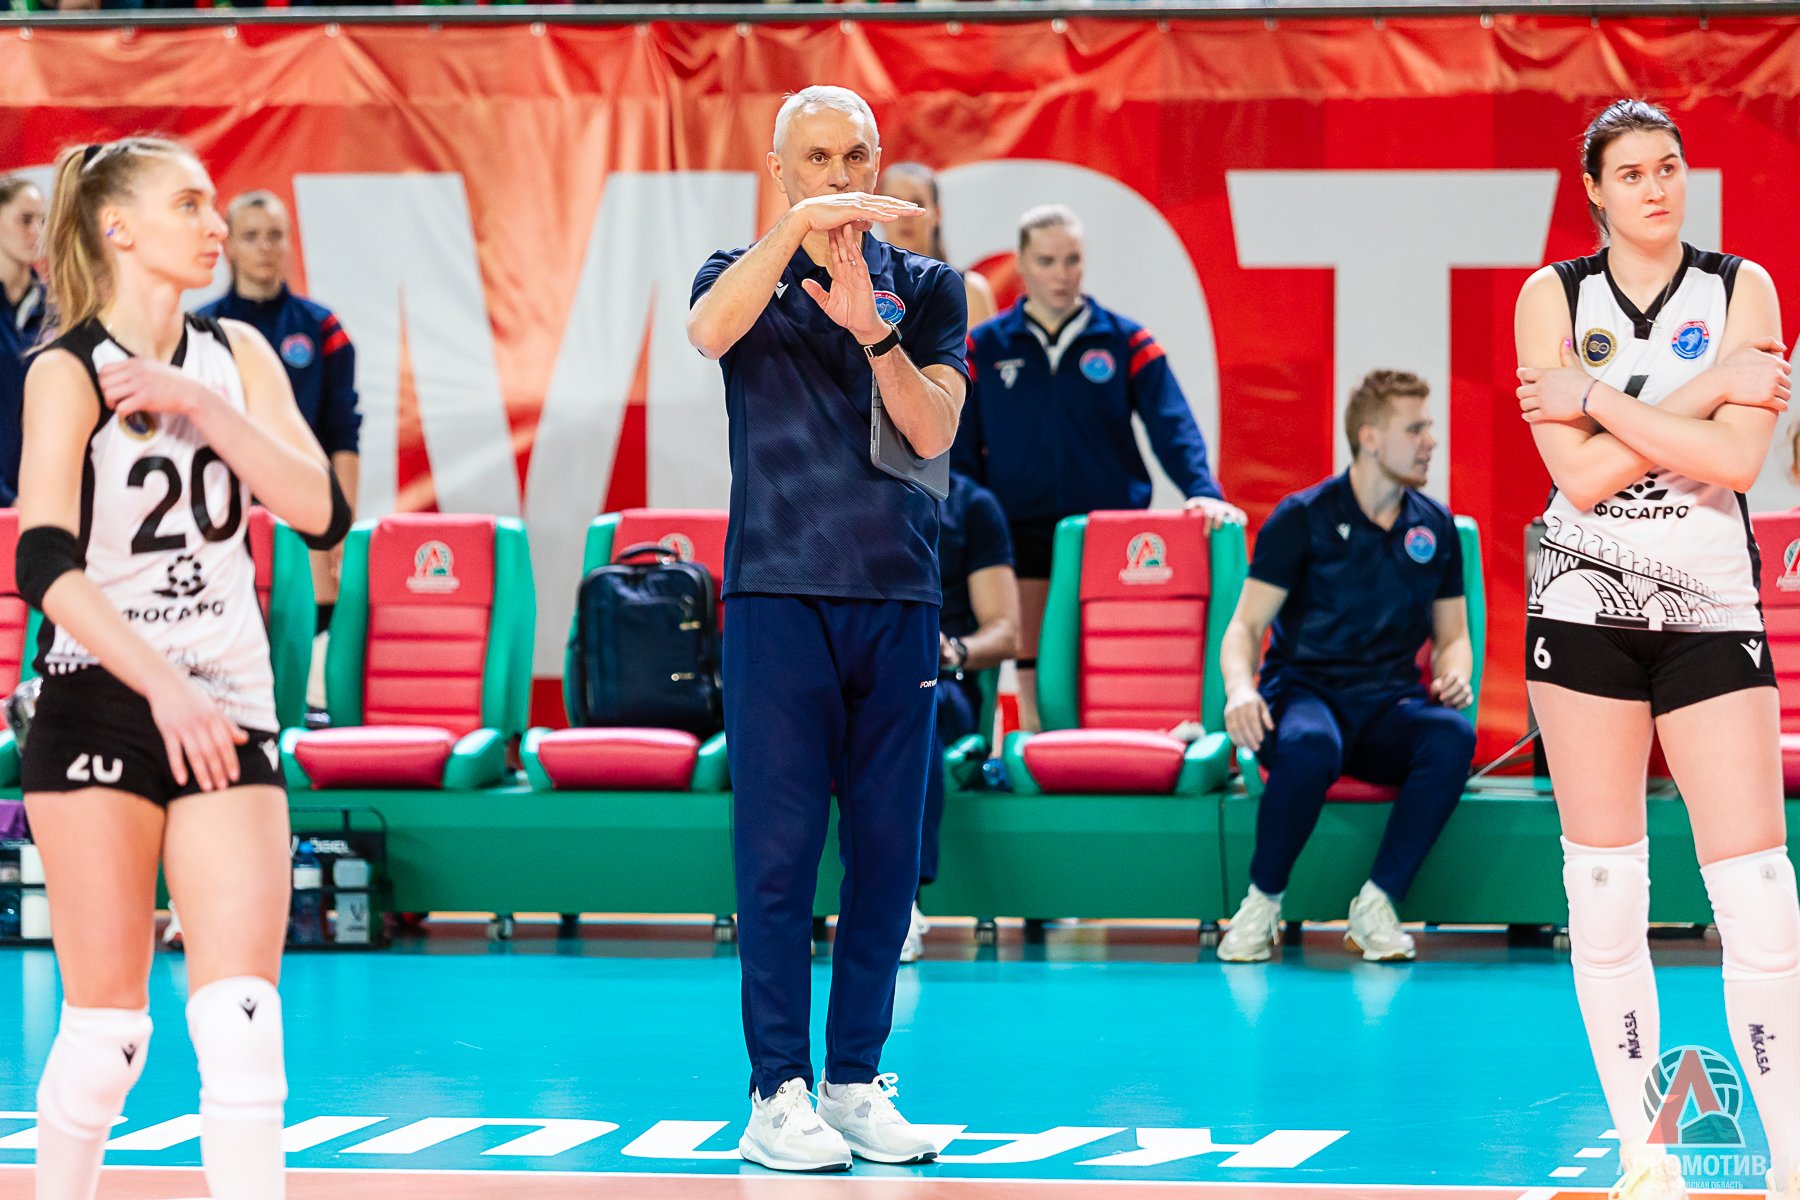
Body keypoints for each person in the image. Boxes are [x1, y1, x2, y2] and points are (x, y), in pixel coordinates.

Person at [18, 136, 352, 1200]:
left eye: (216, 207)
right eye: (191, 205)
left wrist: (203, 404)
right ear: (117, 227)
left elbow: (323, 512)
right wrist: (160, 686)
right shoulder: (65, 369)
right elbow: (43, 561)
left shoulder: (238, 354)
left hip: (228, 703)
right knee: (109, 1035)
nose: (215, 227)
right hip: (99, 698)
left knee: (244, 1026)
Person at [1514, 99, 1795, 1199]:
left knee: (1758, 893)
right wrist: (1708, 390)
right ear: (1595, 189)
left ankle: (1789, 1160)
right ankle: (1649, 1156)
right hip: (1580, 607)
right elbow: (1579, 481)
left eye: (1669, 167)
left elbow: (1736, 463)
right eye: (1630, 173)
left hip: (1711, 606)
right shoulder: (1552, 295)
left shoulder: (1743, 287)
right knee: (1604, 890)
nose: (1655, 188)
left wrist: (1594, 399)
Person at [687, 85, 965, 1174]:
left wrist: (876, 336)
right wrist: (795, 235)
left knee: (887, 861)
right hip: (777, 595)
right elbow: (707, 333)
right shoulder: (738, 274)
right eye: (815, 159)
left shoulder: (930, 287)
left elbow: (933, 430)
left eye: (854, 155)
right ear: (780, 170)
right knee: (778, 857)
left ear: (878, 159)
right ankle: (775, 1094)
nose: (839, 175)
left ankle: (853, 1084)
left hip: (899, 598)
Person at [1216, 369, 1476, 965]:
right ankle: (1261, 904)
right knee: (1309, 746)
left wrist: (1454, 671)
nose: (1431, 440)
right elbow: (1245, 628)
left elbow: (1453, 636)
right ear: (1370, 438)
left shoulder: (1435, 527)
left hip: (1389, 704)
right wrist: (1239, 690)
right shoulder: (1301, 517)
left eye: (1429, 427)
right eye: (1415, 428)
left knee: (1450, 738)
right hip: (1305, 693)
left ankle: (1377, 904)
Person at [957, 204, 1244, 731]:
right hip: (1017, 530)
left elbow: (1172, 425)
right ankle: (1039, 757)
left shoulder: (1126, 341)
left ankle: (1107, 755)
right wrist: (968, 523)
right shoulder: (984, 347)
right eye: (1046, 261)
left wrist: (1202, 489)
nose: (1061, 275)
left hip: (1107, 532)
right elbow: (962, 449)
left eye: (1072, 260)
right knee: (1031, 663)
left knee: (1107, 659)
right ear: (1021, 263)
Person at [197, 191, 360, 636]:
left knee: (308, 636)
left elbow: (342, 432)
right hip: (222, 519)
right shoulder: (200, 330)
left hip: (302, 511)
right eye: (251, 236)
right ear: (228, 246)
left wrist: (340, 526)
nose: (264, 247)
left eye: (275, 235)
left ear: (290, 242)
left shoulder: (322, 327)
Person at [904, 469, 1018, 963]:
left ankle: (900, 899)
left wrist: (952, 649)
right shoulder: (840, 489)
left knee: (913, 703)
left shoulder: (972, 506)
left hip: (939, 680)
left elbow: (1005, 632)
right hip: (851, 668)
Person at [877, 163, 997, 328]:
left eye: (917, 204)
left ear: (937, 214)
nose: (905, 215)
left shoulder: (970, 292)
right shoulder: (859, 288)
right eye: (894, 204)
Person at [0, 174, 48, 505]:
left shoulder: (57, 310)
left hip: (44, 497)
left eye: (42, 221)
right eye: (25, 220)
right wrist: (6, 498)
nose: (37, 233)